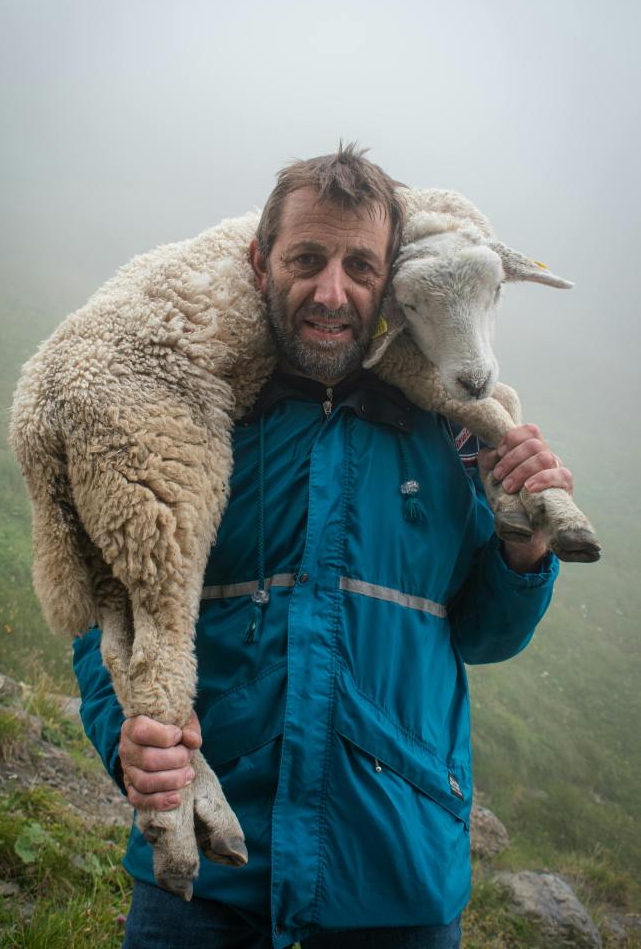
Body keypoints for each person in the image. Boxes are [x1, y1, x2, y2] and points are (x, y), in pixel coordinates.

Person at [73, 146, 570, 949]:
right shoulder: (189, 420)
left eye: (359, 266)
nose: (332, 292)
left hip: (395, 879)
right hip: (204, 877)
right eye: (306, 259)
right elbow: (106, 612)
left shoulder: (450, 436)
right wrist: (126, 740)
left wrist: (526, 547)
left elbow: (483, 637)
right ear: (259, 262)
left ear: (390, 280)